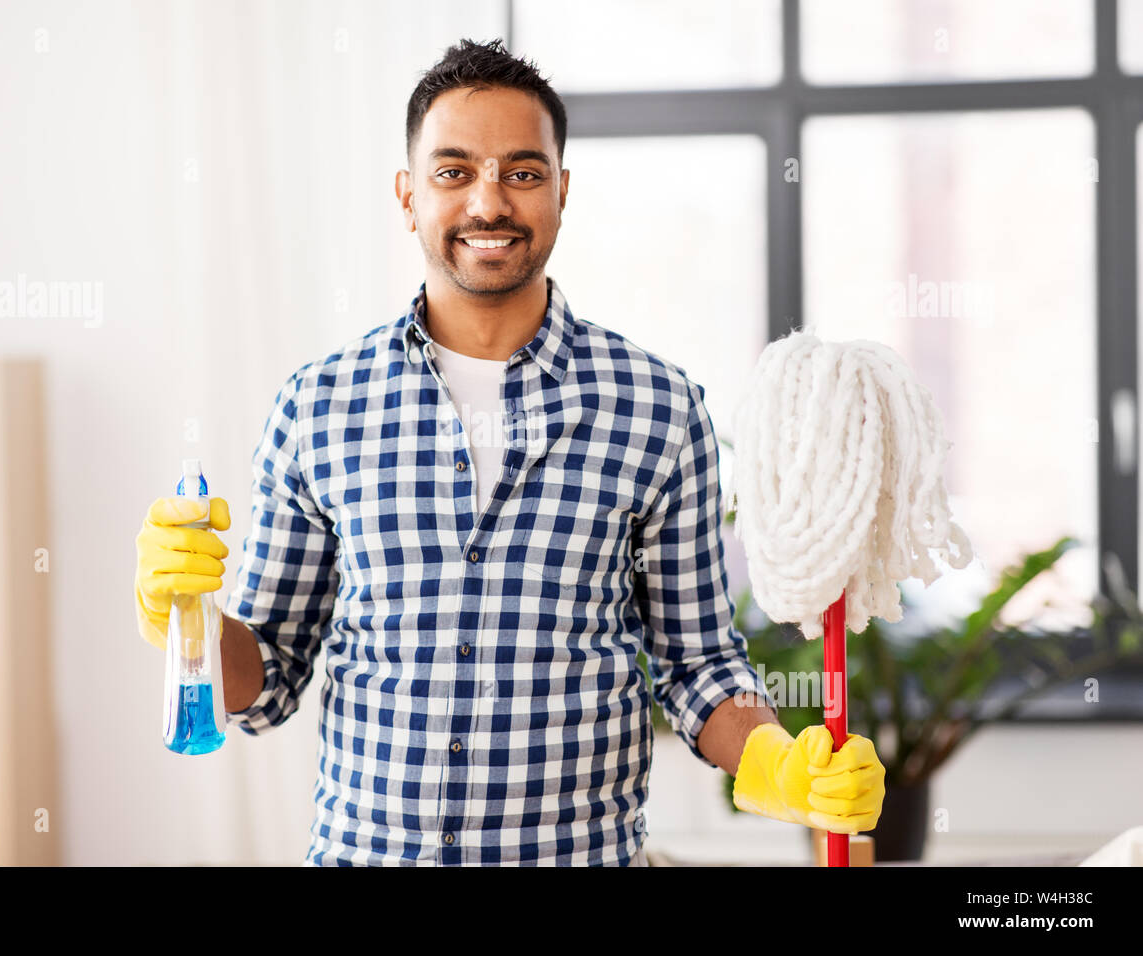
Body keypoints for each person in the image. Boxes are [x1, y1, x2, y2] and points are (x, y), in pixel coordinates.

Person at [135, 38, 885, 866]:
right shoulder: (318, 407)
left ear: (561, 191)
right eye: (453, 172)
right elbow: (263, 686)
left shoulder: (657, 409)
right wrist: (189, 618)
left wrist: (780, 766)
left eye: (522, 173)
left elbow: (697, 667)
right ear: (408, 195)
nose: (488, 202)